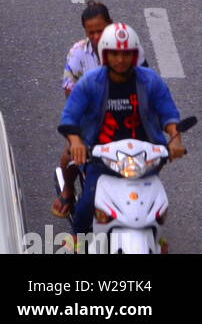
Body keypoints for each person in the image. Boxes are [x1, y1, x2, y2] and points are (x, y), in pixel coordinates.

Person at [58, 22, 184, 236]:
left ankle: (157, 239)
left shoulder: (151, 81)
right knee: (86, 207)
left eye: (126, 54)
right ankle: (76, 241)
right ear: (104, 55)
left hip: (145, 158)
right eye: (114, 54)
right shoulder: (90, 82)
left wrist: (175, 137)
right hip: (102, 158)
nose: (120, 59)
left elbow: (169, 114)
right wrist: (77, 141)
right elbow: (69, 117)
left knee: (157, 208)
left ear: (135, 55)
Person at [51, 1, 112, 218]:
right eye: (91, 32)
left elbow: (145, 84)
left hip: (124, 117)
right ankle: (68, 190)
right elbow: (70, 91)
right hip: (88, 120)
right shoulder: (78, 53)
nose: (96, 37)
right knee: (71, 156)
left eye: (101, 31)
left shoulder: (126, 49)